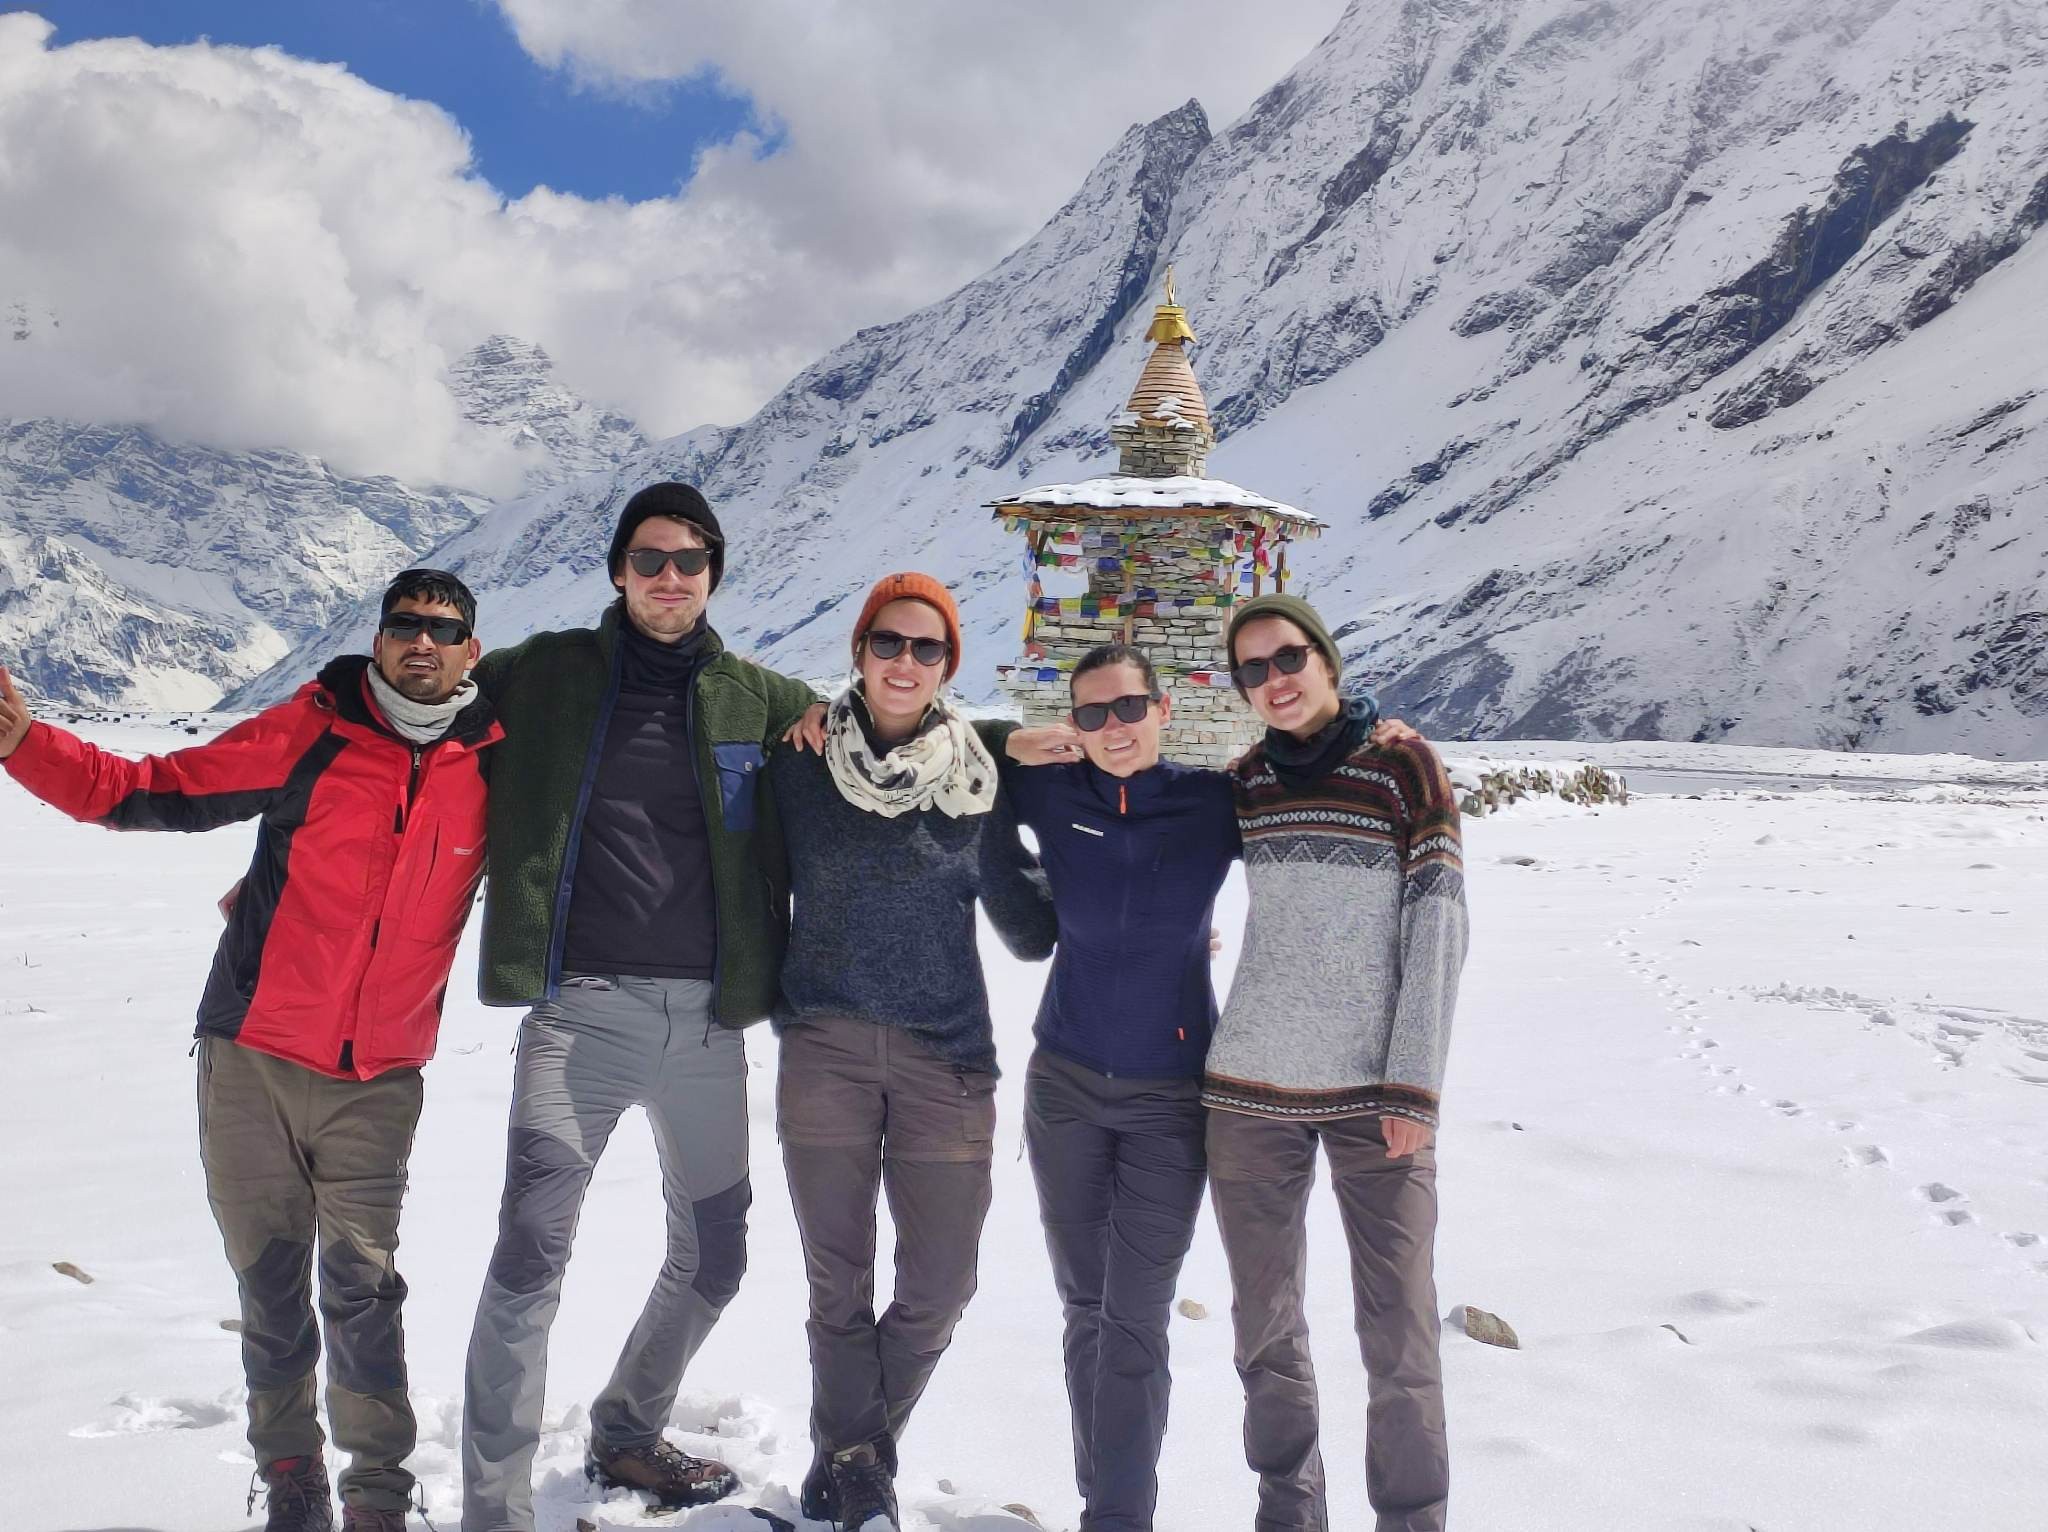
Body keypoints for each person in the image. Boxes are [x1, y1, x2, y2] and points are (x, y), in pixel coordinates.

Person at [0, 570, 500, 1532]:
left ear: (471, 651)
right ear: (381, 638)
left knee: (364, 1296)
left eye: (444, 630)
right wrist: (25, 746)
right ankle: (293, 1483)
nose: (422, 644)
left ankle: (379, 1501)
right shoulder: (314, 730)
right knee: (272, 1294)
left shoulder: (493, 761)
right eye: (405, 626)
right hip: (253, 1060)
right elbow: (150, 791)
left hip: (378, 1082)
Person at [458, 483, 824, 1532]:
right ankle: (494, 1508)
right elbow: (406, 712)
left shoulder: (761, 697)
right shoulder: (541, 675)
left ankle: (625, 1425)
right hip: (581, 1018)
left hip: (709, 1026)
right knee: (529, 1252)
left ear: (713, 575)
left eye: (690, 561)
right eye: (650, 558)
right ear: (618, 569)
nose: (670, 577)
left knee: (715, 1256)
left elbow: (879, 744)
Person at [767, 571, 1055, 1532]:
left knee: (941, 1283)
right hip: (827, 1047)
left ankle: (848, 1450)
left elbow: (1028, 928)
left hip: (948, 1057)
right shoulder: (800, 767)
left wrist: (1134, 910)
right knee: (836, 1279)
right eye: (887, 643)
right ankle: (857, 1471)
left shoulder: (980, 780)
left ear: (948, 666)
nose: (904, 662)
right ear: (858, 651)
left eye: (926, 649)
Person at [1204, 593, 1467, 1532]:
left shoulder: (1402, 768)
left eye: (1287, 660)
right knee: (1263, 1327)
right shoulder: (1245, 783)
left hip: (1376, 1100)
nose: (1273, 682)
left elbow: (1437, 924)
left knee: (1399, 1331)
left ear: (1326, 658)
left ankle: (1411, 1519)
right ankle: (1290, 1508)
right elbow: (1145, 835)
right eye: (1252, 670)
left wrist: (1414, 1086)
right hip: (1248, 1090)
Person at [1000, 643, 1239, 1532]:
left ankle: (1118, 1518)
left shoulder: (1212, 804)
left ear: (1163, 707)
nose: (1114, 729)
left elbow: (1307, 806)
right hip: (1061, 1083)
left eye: (1129, 708)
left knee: (1134, 1319)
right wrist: (1018, 742)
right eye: (1093, 715)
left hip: (1169, 1101)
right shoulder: (1052, 791)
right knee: (1084, 1310)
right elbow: (950, 752)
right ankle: (1107, 1499)